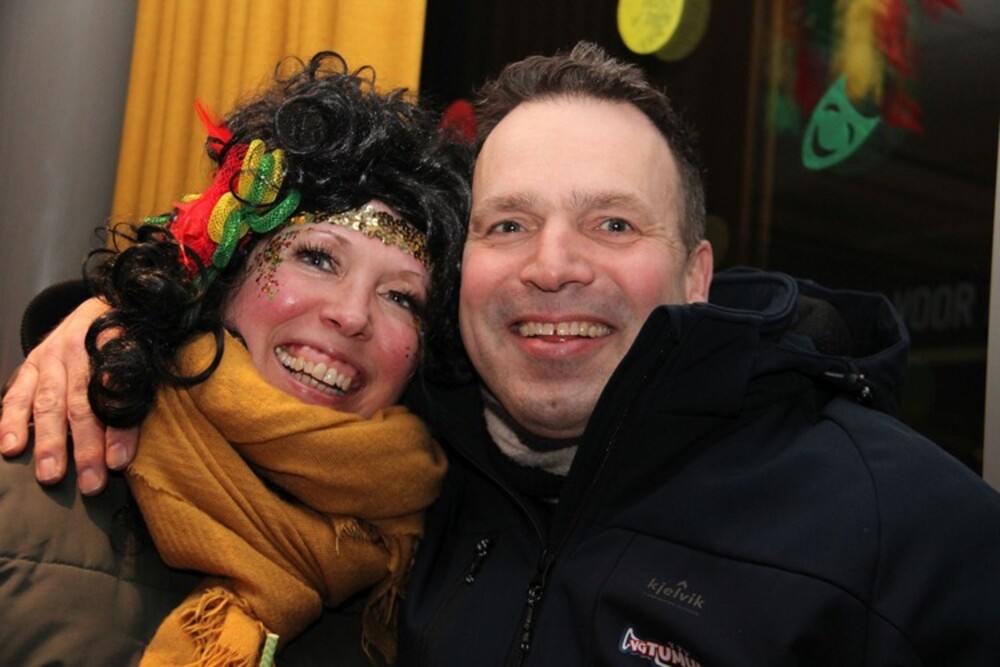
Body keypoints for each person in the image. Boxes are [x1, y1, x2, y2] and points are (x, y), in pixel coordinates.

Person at [5, 41, 1000, 666]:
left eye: (613, 223)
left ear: (697, 273)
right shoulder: (431, 482)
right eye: (510, 224)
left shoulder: (905, 531)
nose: (553, 266)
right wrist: (107, 320)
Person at [0, 51, 470, 666]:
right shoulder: (46, 459)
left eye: (401, 297)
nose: (352, 315)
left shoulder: (439, 566)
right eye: (318, 258)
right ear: (227, 268)